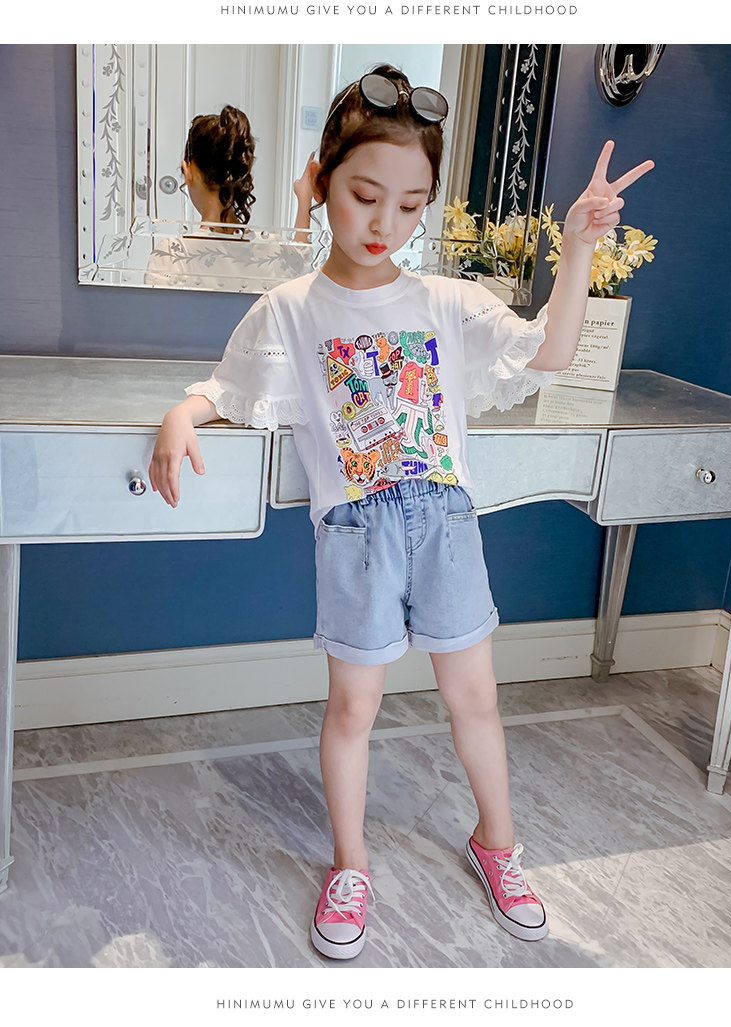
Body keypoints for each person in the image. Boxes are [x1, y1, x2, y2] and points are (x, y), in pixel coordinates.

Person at [148, 65, 653, 960]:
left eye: (411, 205)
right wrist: (181, 414)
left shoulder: (446, 302)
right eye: (364, 195)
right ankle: (351, 865)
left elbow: (550, 353)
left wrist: (576, 248)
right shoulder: (289, 311)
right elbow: (229, 389)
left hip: (446, 526)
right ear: (320, 180)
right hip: (356, 535)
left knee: (475, 699)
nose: (385, 222)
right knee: (353, 708)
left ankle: (497, 844)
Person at [145, 105, 314, 289]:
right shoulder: (272, 250)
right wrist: (304, 198)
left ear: (187, 171)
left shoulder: (172, 255)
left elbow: (157, 307)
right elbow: (301, 264)